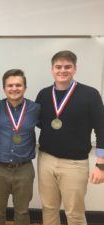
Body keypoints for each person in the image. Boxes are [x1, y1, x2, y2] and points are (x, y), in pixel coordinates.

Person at [35, 50, 104, 225]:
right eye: (58, 67)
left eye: (67, 67)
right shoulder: (43, 94)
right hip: (46, 160)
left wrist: (101, 165)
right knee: (49, 209)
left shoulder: (90, 94)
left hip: (74, 164)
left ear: (75, 69)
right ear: (52, 70)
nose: (62, 70)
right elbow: (39, 123)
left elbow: (102, 129)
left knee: (74, 213)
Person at [0, 69, 40, 225]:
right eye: (10, 85)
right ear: (4, 88)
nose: (14, 88)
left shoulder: (35, 108)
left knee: (22, 212)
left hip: (24, 169)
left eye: (18, 85)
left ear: (25, 87)